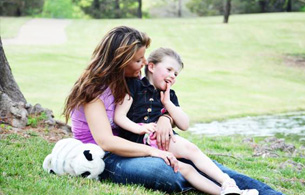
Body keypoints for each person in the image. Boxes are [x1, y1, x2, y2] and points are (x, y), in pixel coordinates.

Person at [63, 25, 283, 195]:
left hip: (135, 144)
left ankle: (262, 192)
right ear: (120, 60)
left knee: (197, 159)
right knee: (167, 172)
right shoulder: (93, 92)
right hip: (106, 156)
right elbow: (107, 142)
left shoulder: (130, 80)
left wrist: (165, 118)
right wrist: (154, 151)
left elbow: (153, 104)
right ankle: (211, 186)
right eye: (138, 60)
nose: (143, 64)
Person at [114, 47, 257, 195]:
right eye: (169, 69)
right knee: (189, 156)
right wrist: (139, 129)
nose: (172, 75)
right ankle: (227, 181)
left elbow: (184, 124)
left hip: (161, 140)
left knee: (189, 164)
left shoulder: (169, 95)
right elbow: (119, 117)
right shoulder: (134, 86)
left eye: (176, 73)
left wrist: (168, 103)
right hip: (140, 140)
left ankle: (228, 191)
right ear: (151, 67)